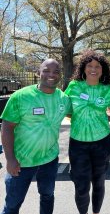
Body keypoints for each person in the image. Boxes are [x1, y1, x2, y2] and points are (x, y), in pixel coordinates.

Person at [0, 59, 71, 214]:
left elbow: (78, 114)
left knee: (47, 196)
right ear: (38, 73)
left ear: (60, 75)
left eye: (56, 71)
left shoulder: (64, 99)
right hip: (21, 162)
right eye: (46, 70)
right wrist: (10, 159)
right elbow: (7, 128)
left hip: (49, 160)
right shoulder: (21, 96)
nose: (51, 74)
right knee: (12, 205)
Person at [64, 49, 110, 214]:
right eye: (90, 65)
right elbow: (67, 109)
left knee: (99, 182)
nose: (93, 69)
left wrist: (104, 117)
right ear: (83, 68)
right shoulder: (74, 86)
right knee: (81, 186)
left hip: (102, 143)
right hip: (78, 144)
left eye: (98, 66)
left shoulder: (107, 89)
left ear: (103, 70)